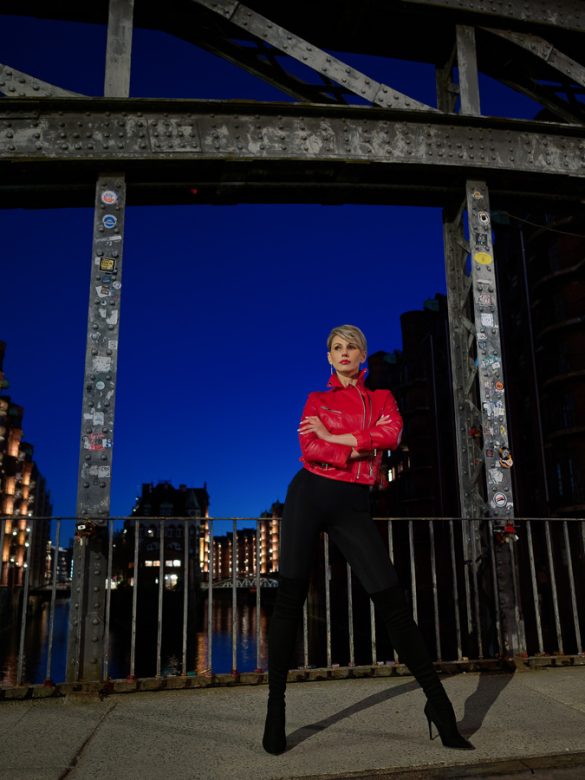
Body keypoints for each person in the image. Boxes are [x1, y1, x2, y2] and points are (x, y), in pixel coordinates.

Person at [262, 324, 474, 755]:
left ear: (363, 356)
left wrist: (336, 437)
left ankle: (440, 707)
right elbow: (309, 449)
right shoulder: (316, 400)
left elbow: (391, 435)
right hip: (307, 495)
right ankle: (276, 709)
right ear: (328, 357)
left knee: (393, 603)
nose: (344, 353)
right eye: (336, 347)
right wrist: (358, 445)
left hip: (354, 505)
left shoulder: (383, 399)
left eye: (351, 347)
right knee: (289, 600)